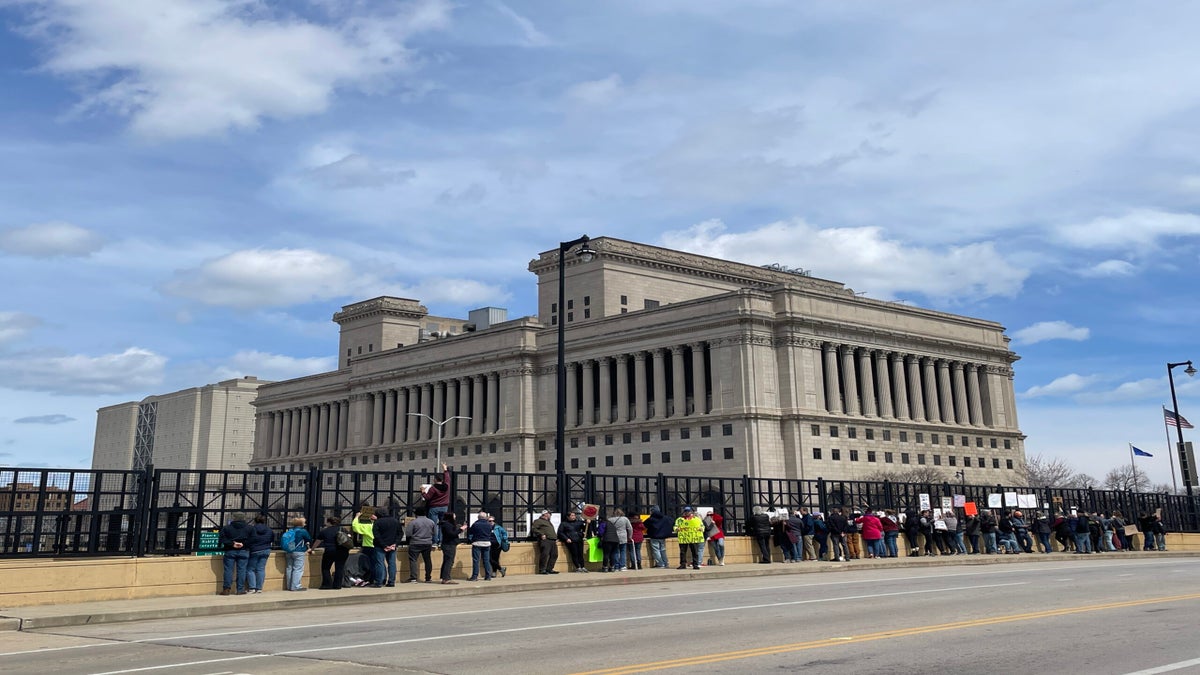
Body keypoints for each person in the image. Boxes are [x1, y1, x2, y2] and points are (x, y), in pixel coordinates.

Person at [218, 512, 251, 595]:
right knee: (242, 570)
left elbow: (222, 539)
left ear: (234, 518)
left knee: (228, 570)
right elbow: (253, 539)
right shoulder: (249, 528)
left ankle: (226, 589)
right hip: (244, 550)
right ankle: (240, 589)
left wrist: (232, 544)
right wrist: (244, 544)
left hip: (230, 550)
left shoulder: (227, 528)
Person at [313, 516, 350, 590]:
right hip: (342, 551)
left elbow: (318, 541)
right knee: (339, 568)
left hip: (330, 551)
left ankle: (327, 584)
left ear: (329, 522)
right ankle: (337, 585)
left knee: (325, 568)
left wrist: (312, 549)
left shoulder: (324, 531)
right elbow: (348, 538)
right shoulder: (343, 530)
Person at [404, 508, 436, 583]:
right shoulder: (431, 522)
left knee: (413, 560)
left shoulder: (413, 522)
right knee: (427, 560)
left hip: (415, 543)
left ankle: (413, 578)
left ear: (416, 514)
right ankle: (428, 578)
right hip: (427, 543)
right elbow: (435, 533)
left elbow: (408, 533)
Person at [281, 516, 313, 591]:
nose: (305, 524)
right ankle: (295, 586)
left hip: (289, 550)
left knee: (289, 568)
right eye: (304, 522)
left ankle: (289, 586)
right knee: (298, 569)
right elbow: (309, 539)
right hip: (299, 551)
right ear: (301, 523)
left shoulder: (290, 530)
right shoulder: (303, 531)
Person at [424, 463, 452, 545]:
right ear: (442, 480)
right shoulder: (447, 485)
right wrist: (445, 469)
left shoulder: (433, 488)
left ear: (435, 480)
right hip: (444, 507)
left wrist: (422, 492)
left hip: (434, 508)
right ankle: (441, 541)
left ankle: (434, 541)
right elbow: (447, 478)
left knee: (433, 525)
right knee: (442, 524)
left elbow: (427, 497)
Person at [245, 514, 274, 593]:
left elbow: (249, 540)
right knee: (261, 569)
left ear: (255, 521)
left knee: (250, 569)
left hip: (255, 550)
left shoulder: (252, 529)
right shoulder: (269, 530)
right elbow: (272, 539)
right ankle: (259, 588)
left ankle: (252, 588)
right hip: (266, 549)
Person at [372, 507, 401, 587]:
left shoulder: (377, 522)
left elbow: (376, 535)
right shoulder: (395, 521)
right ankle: (391, 581)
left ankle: (379, 582)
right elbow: (400, 533)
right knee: (392, 564)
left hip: (380, 546)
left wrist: (384, 545)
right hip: (392, 546)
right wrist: (395, 544)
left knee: (379, 563)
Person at [437, 511, 465, 584]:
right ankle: (446, 578)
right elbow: (451, 534)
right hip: (449, 545)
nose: (455, 517)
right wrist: (461, 529)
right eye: (454, 516)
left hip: (447, 544)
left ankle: (444, 577)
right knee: (449, 562)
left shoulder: (446, 524)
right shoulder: (447, 525)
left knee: (447, 561)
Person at [351, 508, 378, 585]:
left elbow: (355, 527)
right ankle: (380, 579)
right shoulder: (379, 524)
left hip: (368, 546)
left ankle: (371, 579)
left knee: (369, 565)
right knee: (378, 564)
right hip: (378, 546)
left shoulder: (368, 526)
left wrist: (357, 517)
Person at [467, 510, 494, 581]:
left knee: (476, 560)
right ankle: (488, 576)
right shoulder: (489, 524)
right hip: (487, 543)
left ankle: (475, 576)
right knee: (486, 560)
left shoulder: (475, 524)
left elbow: (471, 532)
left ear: (478, 517)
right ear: (485, 518)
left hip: (477, 543)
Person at [531, 510, 559, 574]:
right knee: (545, 554)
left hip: (552, 540)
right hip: (545, 540)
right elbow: (534, 529)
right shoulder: (538, 521)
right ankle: (542, 569)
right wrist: (541, 534)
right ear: (545, 514)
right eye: (549, 514)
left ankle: (549, 569)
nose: (550, 515)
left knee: (554, 555)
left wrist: (555, 537)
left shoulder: (548, 522)